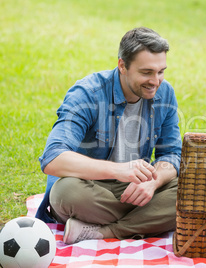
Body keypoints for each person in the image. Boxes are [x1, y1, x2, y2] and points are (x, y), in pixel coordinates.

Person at [36, 27, 182, 245]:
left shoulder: (165, 93)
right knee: (65, 193)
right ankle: (147, 220)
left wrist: (154, 182)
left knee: (191, 191)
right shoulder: (87, 93)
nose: (156, 81)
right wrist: (120, 170)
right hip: (90, 187)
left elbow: (171, 154)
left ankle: (104, 232)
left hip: (135, 189)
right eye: (146, 72)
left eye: (161, 71)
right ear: (122, 66)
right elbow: (53, 158)